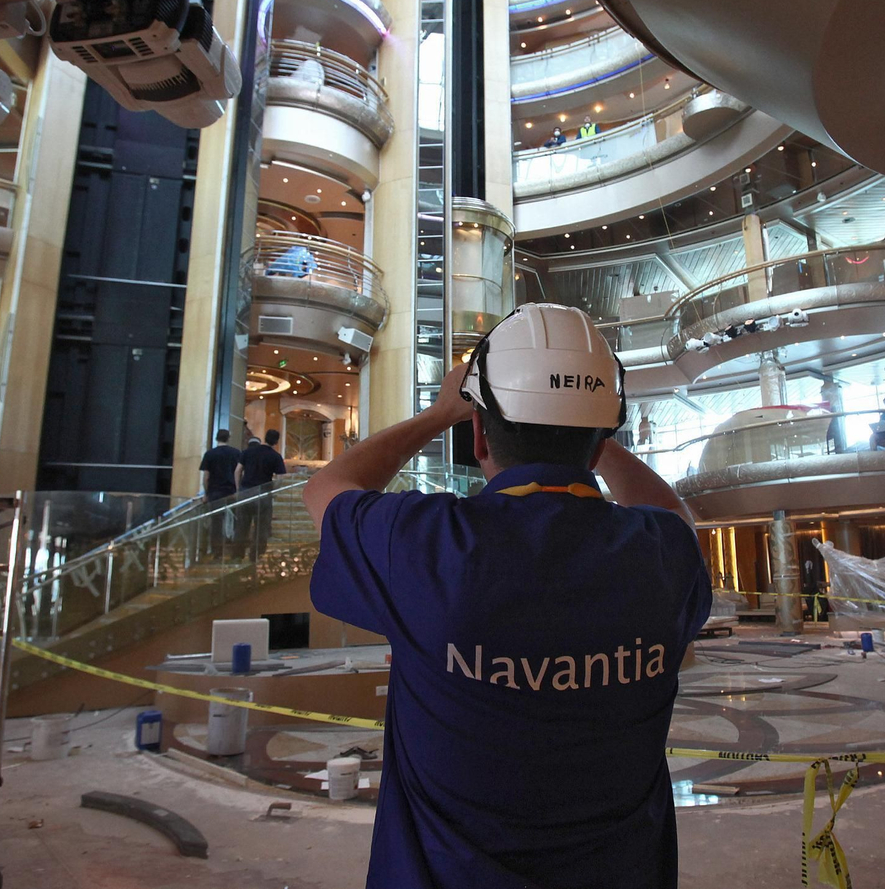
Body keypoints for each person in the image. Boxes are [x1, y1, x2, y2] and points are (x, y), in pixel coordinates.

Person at [304, 303, 710, 889]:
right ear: (600, 445)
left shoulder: (425, 544)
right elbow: (674, 515)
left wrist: (438, 413)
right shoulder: (661, 554)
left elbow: (325, 489)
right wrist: (584, 429)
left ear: (476, 433)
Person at [236, 428, 288, 560]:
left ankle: (238, 554)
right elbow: (281, 477)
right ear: (276, 441)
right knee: (261, 528)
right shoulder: (275, 456)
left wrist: (238, 489)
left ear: (265, 438)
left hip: (246, 492)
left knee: (242, 525)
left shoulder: (248, 452)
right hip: (263, 494)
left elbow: (238, 471)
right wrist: (273, 490)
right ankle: (256, 555)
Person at [198, 429, 242, 559]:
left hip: (215, 492)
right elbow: (239, 473)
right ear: (228, 438)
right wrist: (238, 490)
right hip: (231, 492)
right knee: (234, 521)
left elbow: (206, 476)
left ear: (217, 438)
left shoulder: (210, 454)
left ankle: (217, 551)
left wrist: (206, 493)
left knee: (216, 523)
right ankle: (233, 548)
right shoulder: (236, 453)